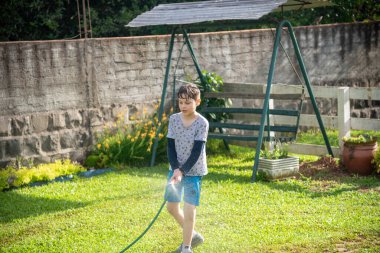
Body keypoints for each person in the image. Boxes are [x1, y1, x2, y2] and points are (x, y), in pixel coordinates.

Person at [165, 83, 209, 253]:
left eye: (188, 102)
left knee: (189, 211)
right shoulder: (174, 119)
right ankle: (194, 235)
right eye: (181, 102)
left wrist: (182, 171)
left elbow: (197, 151)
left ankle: (186, 248)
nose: (183, 106)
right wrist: (176, 169)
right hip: (175, 169)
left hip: (193, 172)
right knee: (171, 207)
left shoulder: (202, 123)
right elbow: (170, 146)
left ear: (197, 101)